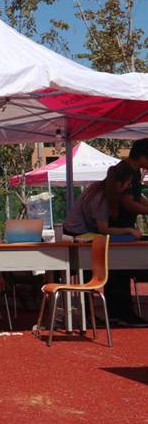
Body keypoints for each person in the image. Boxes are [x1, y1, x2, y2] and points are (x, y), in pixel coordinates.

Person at [104, 139, 148, 326]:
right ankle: (121, 313)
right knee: (120, 270)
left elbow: (136, 196)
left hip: (123, 225)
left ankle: (118, 312)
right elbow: (127, 202)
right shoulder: (125, 171)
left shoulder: (131, 170)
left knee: (120, 270)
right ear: (143, 156)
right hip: (118, 225)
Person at [63, 163, 139, 239]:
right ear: (119, 184)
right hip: (76, 233)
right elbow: (104, 230)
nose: (128, 187)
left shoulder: (98, 187)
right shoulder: (101, 199)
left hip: (73, 229)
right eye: (128, 184)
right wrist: (129, 230)